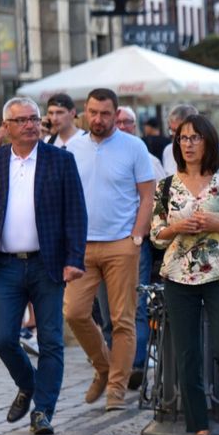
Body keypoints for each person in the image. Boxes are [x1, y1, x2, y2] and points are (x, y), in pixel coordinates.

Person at [0, 97, 87, 435]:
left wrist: (74, 259)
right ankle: (28, 383)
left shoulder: (60, 160)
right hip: (6, 265)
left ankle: (43, 410)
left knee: (51, 340)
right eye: (21, 120)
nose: (30, 125)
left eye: (34, 118)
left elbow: (76, 213)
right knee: (2, 337)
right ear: (6, 127)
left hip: (48, 263)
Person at [151, 114, 219, 435]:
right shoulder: (166, 186)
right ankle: (199, 431)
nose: (188, 144)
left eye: (195, 138)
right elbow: (156, 235)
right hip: (177, 276)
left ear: (208, 142)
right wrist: (177, 227)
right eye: (183, 138)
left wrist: (216, 223)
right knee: (187, 355)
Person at [63, 89, 155, 411]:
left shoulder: (134, 146)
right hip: (81, 245)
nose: (98, 119)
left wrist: (137, 236)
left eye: (105, 113)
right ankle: (103, 366)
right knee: (74, 312)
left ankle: (116, 388)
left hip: (121, 244)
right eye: (93, 112)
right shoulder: (72, 148)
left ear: (116, 114)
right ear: (84, 112)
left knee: (122, 320)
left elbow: (148, 195)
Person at [118, 106, 167, 388]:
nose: (123, 126)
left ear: (135, 126)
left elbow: (161, 199)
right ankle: (115, 362)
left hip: (137, 241)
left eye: (128, 122)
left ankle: (135, 365)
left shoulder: (147, 159)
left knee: (136, 303)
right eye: (119, 121)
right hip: (103, 241)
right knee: (109, 309)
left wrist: (143, 230)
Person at [161, 104, 198, 175]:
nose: (173, 134)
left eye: (178, 130)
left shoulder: (213, 150)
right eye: (171, 130)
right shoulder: (168, 150)